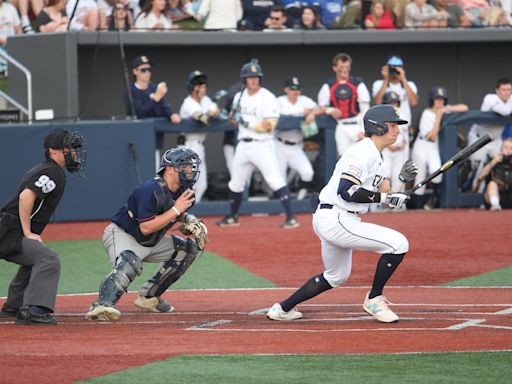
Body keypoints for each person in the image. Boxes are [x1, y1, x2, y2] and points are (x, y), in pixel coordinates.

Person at [266, 105, 417, 323]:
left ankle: (282, 308)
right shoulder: (362, 152)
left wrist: (401, 182)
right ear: (379, 127)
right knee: (398, 244)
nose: (397, 130)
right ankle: (374, 298)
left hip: (332, 217)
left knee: (337, 275)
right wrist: (385, 199)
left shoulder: (376, 155)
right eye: (393, 126)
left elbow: (386, 193)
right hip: (337, 218)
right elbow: (347, 191)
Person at [85, 147, 207, 321]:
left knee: (188, 249)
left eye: (190, 167)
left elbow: (174, 212)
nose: (189, 171)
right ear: (170, 169)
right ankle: (102, 304)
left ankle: (149, 297)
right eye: (184, 166)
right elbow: (146, 227)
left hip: (152, 240)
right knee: (130, 262)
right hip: (124, 234)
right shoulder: (150, 189)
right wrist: (176, 209)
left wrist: (189, 219)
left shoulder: (185, 193)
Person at [0, 129, 86, 325]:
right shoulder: (52, 172)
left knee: (35, 258)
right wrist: (27, 231)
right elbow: (26, 196)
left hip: (7, 229)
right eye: (68, 148)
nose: (73, 152)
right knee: (48, 259)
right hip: (9, 231)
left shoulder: (48, 169)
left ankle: (14, 306)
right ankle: (34, 310)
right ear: (53, 151)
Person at [216, 59, 300, 229]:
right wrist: (232, 117)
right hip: (243, 145)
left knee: (275, 180)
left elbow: (269, 125)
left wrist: (247, 123)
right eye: (249, 77)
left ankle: (291, 217)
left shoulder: (267, 97)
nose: (253, 80)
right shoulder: (239, 96)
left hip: (262, 145)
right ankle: (233, 217)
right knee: (236, 183)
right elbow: (234, 119)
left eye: (256, 77)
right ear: (244, 79)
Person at [410, 86, 468, 209]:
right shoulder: (426, 114)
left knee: (437, 173)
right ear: (432, 100)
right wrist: (438, 117)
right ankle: (416, 208)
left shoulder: (444, 109)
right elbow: (431, 136)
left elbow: (464, 107)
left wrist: (446, 109)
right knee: (420, 178)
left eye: (442, 99)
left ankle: (434, 198)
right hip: (422, 146)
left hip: (433, 148)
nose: (439, 101)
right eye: (437, 99)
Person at [126, 55, 181, 168]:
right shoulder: (130, 91)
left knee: (155, 174)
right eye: (143, 70)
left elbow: (164, 106)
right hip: (137, 141)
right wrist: (156, 98)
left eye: (149, 70)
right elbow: (139, 113)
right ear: (135, 71)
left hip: (154, 141)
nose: (147, 73)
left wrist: (171, 114)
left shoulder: (154, 88)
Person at [317, 52, 371, 157]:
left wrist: (363, 129)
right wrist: (331, 110)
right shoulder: (329, 85)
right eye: (341, 66)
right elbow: (322, 107)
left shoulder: (358, 83)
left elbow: (365, 108)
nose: (344, 69)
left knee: (361, 157)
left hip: (357, 124)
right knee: (344, 158)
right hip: (340, 126)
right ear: (335, 68)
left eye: (347, 66)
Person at [179, 70, 219, 202]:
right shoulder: (188, 103)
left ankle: (189, 214)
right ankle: (178, 213)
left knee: (201, 185)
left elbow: (217, 112)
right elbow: (201, 118)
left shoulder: (206, 100)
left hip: (199, 146)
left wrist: (215, 112)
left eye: (204, 86)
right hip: (188, 146)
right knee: (189, 184)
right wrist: (211, 114)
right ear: (192, 87)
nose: (202, 89)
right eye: (199, 86)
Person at [276, 77, 319, 200]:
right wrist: (300, 111)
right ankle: (283, 205)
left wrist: (312, 113)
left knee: (307, 173)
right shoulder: (279, 101)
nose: (295, 91)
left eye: (298, 88)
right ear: (286, 89)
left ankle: (299, 200)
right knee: (279, 179)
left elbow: (320, 108)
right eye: (292, 88)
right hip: (280, 144)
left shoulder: (304, 100)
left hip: (296, 146)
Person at [468, 78, 512, 192]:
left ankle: (491, 197)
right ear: (497, 90)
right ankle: (473, 196)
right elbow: (505, 111)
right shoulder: (490, 98)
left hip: (496, 140)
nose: (507, 92)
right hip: (479, 138)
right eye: (504, 89)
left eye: (509, 89)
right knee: (478, 168)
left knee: (502, 162)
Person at [372, 55, 419, 160]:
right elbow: (377, 102)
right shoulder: (379, 84)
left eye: (397, 68)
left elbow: (414, 102)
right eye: (392, 68)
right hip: (385, 129)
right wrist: (386, 79)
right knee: (385, 168)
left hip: (403, 130)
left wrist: (403, 78)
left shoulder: (409, 84)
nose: (395, 71)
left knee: (400, 167)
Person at [380, 91, 409, 194]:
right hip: (386, 150)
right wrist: (388, 145)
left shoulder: (402, 113)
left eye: (395, 102)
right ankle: (379, 204)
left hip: (399, 150)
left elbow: (406, 131)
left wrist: (404, 143)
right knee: (384, 174)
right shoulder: (381, 114)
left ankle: (399, 202)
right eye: (390, 102)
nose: (393, 104)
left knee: (399, 175)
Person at [476, 137, 512, 211]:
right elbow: (480, 177)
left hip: (509, 196)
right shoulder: (494, 161)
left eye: (511, 148)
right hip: (494, 196)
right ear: (501, 149)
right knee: (492, 184)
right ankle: (495, 205)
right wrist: (493, 163)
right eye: (506, 147)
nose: (508, 150)